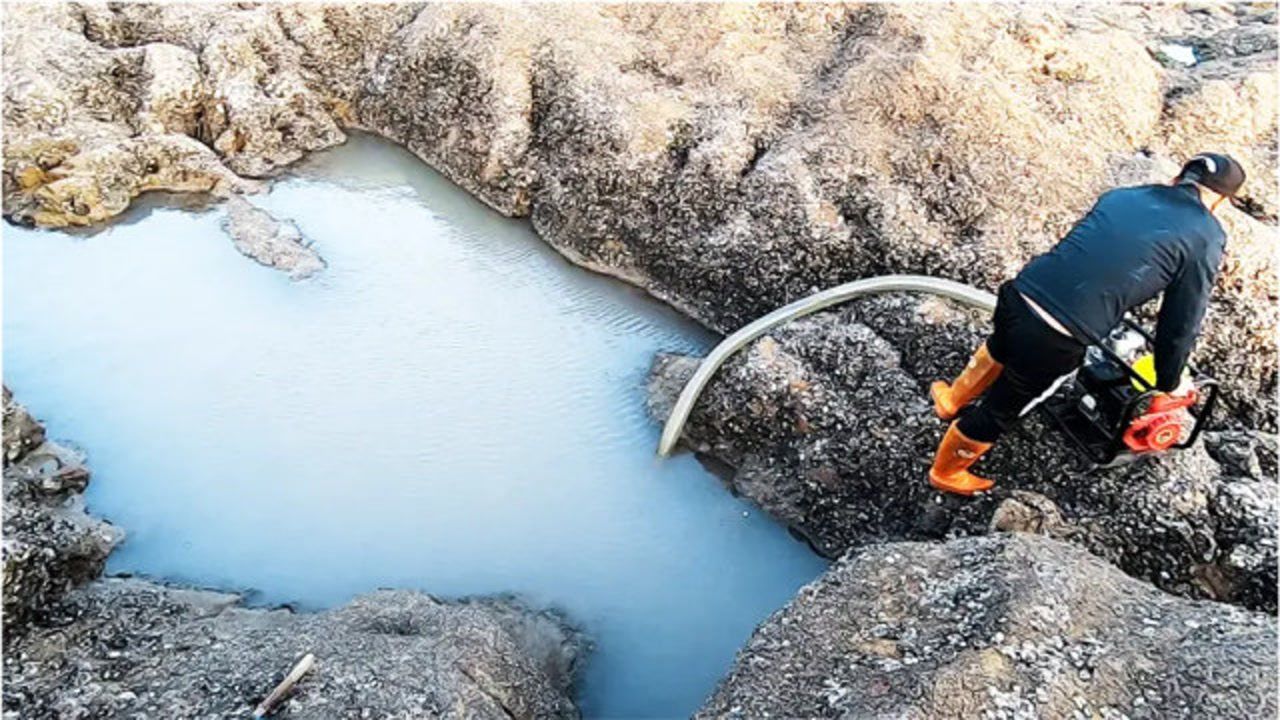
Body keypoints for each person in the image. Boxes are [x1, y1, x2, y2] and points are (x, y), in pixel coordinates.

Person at [927, 153, 1246, 495]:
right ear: (1221, 201)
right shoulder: (1207, 236)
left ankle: (951, 400)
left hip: (1019, 293)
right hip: (1056, 335)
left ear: (1178, 178)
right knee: (1006, 406)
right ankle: (947, 470)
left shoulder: (1127, 194)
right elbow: (1181, 321)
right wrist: (1168, 381)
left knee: (1001, 346)